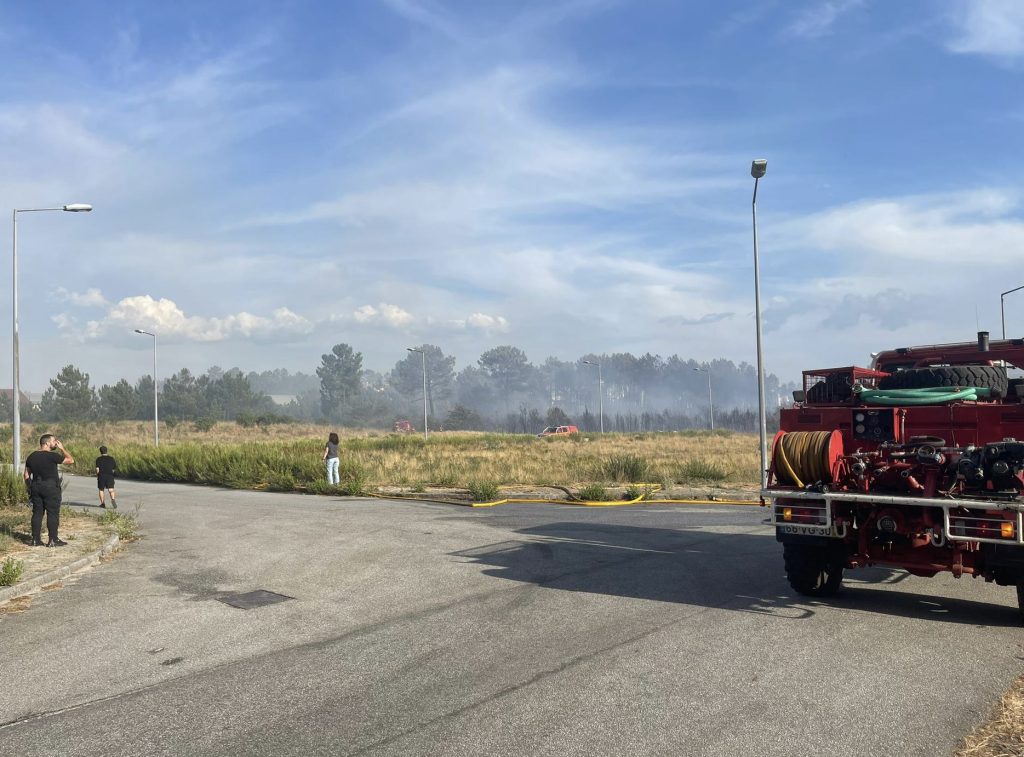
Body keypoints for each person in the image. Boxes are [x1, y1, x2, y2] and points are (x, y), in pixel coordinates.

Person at [24, 434, 74, 547]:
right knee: (52, 513)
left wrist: (30, 488)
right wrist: (62, 449)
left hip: (36, 486)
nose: (55, 443)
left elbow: (26, 475)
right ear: (46, 443)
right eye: (53, 441)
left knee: (37, 513)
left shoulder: (32, 456)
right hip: (51, 487)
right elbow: (71, 460)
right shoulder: (52, 456)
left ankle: (35, 540)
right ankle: (53, 540)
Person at [95, 445, 118, 510]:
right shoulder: (111, 459)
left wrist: (98, 476)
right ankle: (113, 499)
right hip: (110, 476)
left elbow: (97, 470)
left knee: (101, 489)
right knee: (111, 489)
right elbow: (113, 469)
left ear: (100, 452)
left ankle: (103, 503)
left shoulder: (98, 459)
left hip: (101, 476)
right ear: (106, 451)